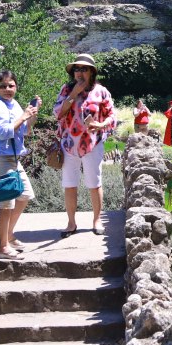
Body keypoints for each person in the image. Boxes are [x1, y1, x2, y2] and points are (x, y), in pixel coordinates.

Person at [54, 54, 116, 237]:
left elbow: (112, 115)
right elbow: (58, 112)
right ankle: (71, 223)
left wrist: (101, 125)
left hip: (92, 143)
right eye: (77, 69)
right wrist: (73, 94)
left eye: (84, 69)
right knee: (69, 183)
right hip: (68, 144)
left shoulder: (101, 91)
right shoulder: (66, 89)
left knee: (94, 182)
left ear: (91, 72)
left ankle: (97, 220)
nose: (79, 72)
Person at [0, 70, 39, 259]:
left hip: (12, 157)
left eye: (11, 85)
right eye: (3, 86)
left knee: (24, 195)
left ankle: (7, 235)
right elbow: (3, 132)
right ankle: (3, 247)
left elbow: (24, 131)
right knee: (6, 203)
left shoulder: (13, 104)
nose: (7, 89)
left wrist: (31, 115)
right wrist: (23, 116)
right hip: (0, 158)